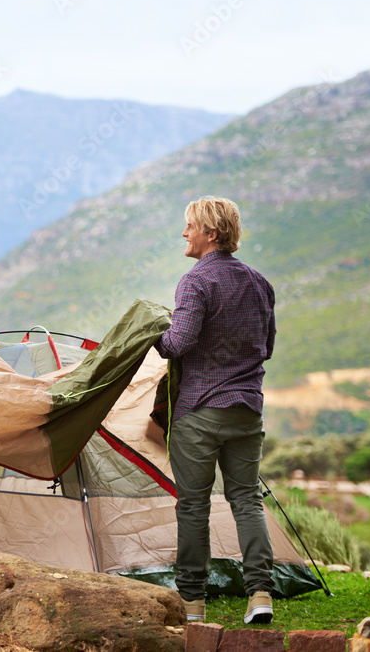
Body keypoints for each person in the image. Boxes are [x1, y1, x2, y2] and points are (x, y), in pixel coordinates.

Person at [155, 196, 276, 624]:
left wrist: (154, 335)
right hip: (248, 410)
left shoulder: (195, 282)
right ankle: (260, 593)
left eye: (189, 226)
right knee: (247, 500)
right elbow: (269, 347)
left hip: (199, 412)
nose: (184, 233)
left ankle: (191, 604)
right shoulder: (260, 282)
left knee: (193, 506)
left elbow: (179, 343)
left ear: (211, 233)